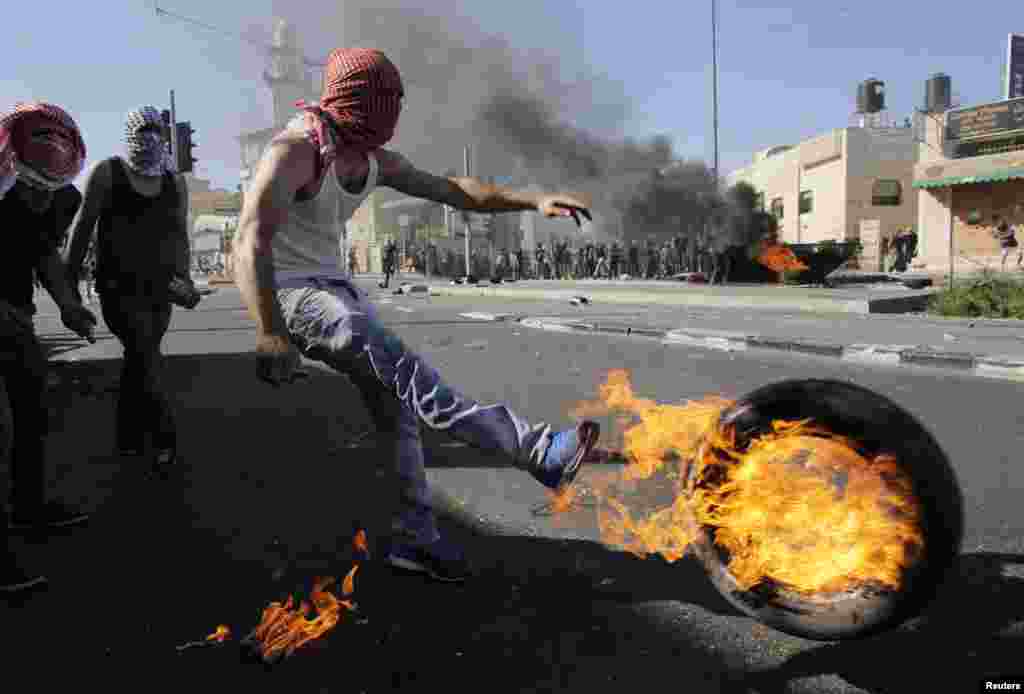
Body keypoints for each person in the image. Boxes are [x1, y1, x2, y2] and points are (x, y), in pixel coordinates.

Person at [233, 47, 600, 583]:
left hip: (336, 288)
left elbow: (454, 190)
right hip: (291, 293)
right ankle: (537, 449)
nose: (389, 118)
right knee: (404, 371)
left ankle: (414, 539)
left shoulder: (374, 158)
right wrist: (269, 332)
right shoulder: (294, 152)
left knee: (395, 408)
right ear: (346, 103)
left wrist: (531, 201)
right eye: (378, 105)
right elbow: (249, 242)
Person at [64, 107, 198, 475]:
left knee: (141, 358)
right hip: (118, 289)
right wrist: (69, 292)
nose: (151, 136)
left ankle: (127, 435)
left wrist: (184, 279)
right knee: (145, 352)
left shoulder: (174, 182)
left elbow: (180, 237)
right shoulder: (108, 173)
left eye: (157, 130)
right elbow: (81, 229)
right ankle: (164, 437)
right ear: (128, 134)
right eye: (143, 129)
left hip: (161, 290)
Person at [0, 103, 97, 593]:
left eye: (52, 191)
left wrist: (68, 304)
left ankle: (31, 508)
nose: (43, 202)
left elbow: (42, 250)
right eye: (32, 189)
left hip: (13, 313)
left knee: (33, 405)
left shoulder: (64, 199)